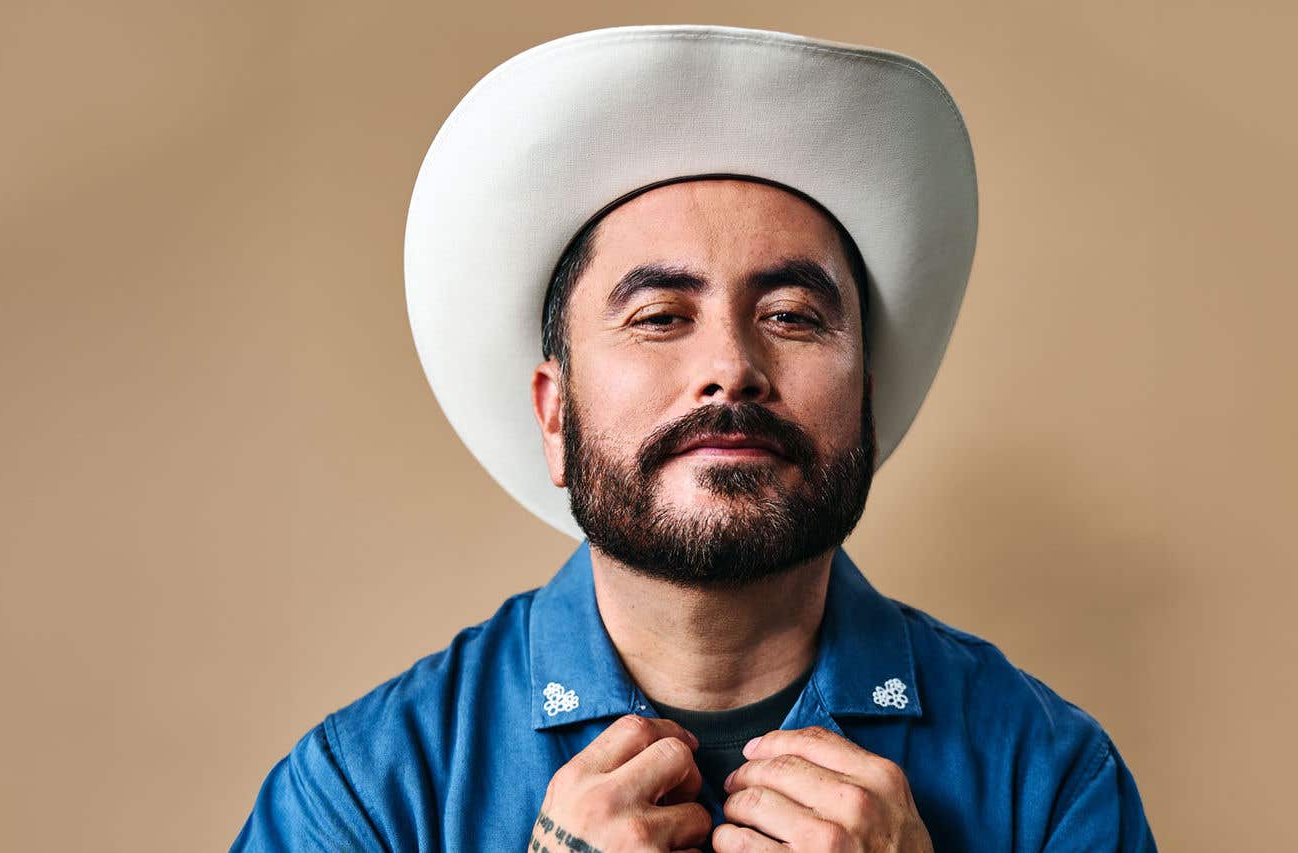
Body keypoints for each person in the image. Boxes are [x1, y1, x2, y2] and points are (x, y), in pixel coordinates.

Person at [233, 25, 1156, 852]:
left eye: (792, 314)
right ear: (556, 415)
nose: (731, 367)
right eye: (660, 315)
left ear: (866, 402)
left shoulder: (1052, 780)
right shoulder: (362, 795)